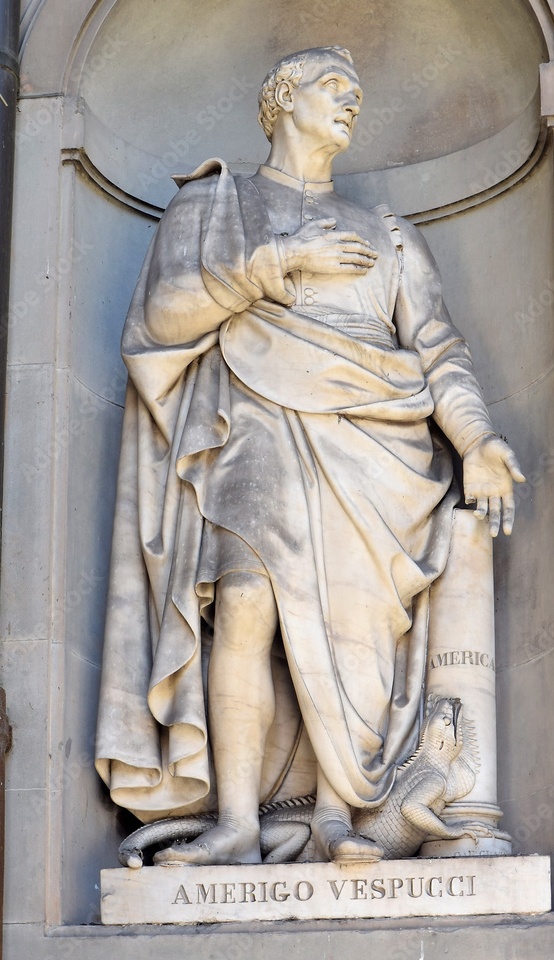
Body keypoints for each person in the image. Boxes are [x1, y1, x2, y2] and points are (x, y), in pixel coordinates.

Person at [95, 46, 524, 866]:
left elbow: (437, 349)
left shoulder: (387, 232)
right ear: (283, 98)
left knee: (350, 628)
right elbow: (160, 318)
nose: (352, 102)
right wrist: (278, 262)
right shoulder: (215, 206)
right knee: (247, 599)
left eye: (357, 92)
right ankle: (235, 823)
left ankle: (336, 816)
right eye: (335, 87)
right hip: (255, 421)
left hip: (374, 441)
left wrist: (476, 439)